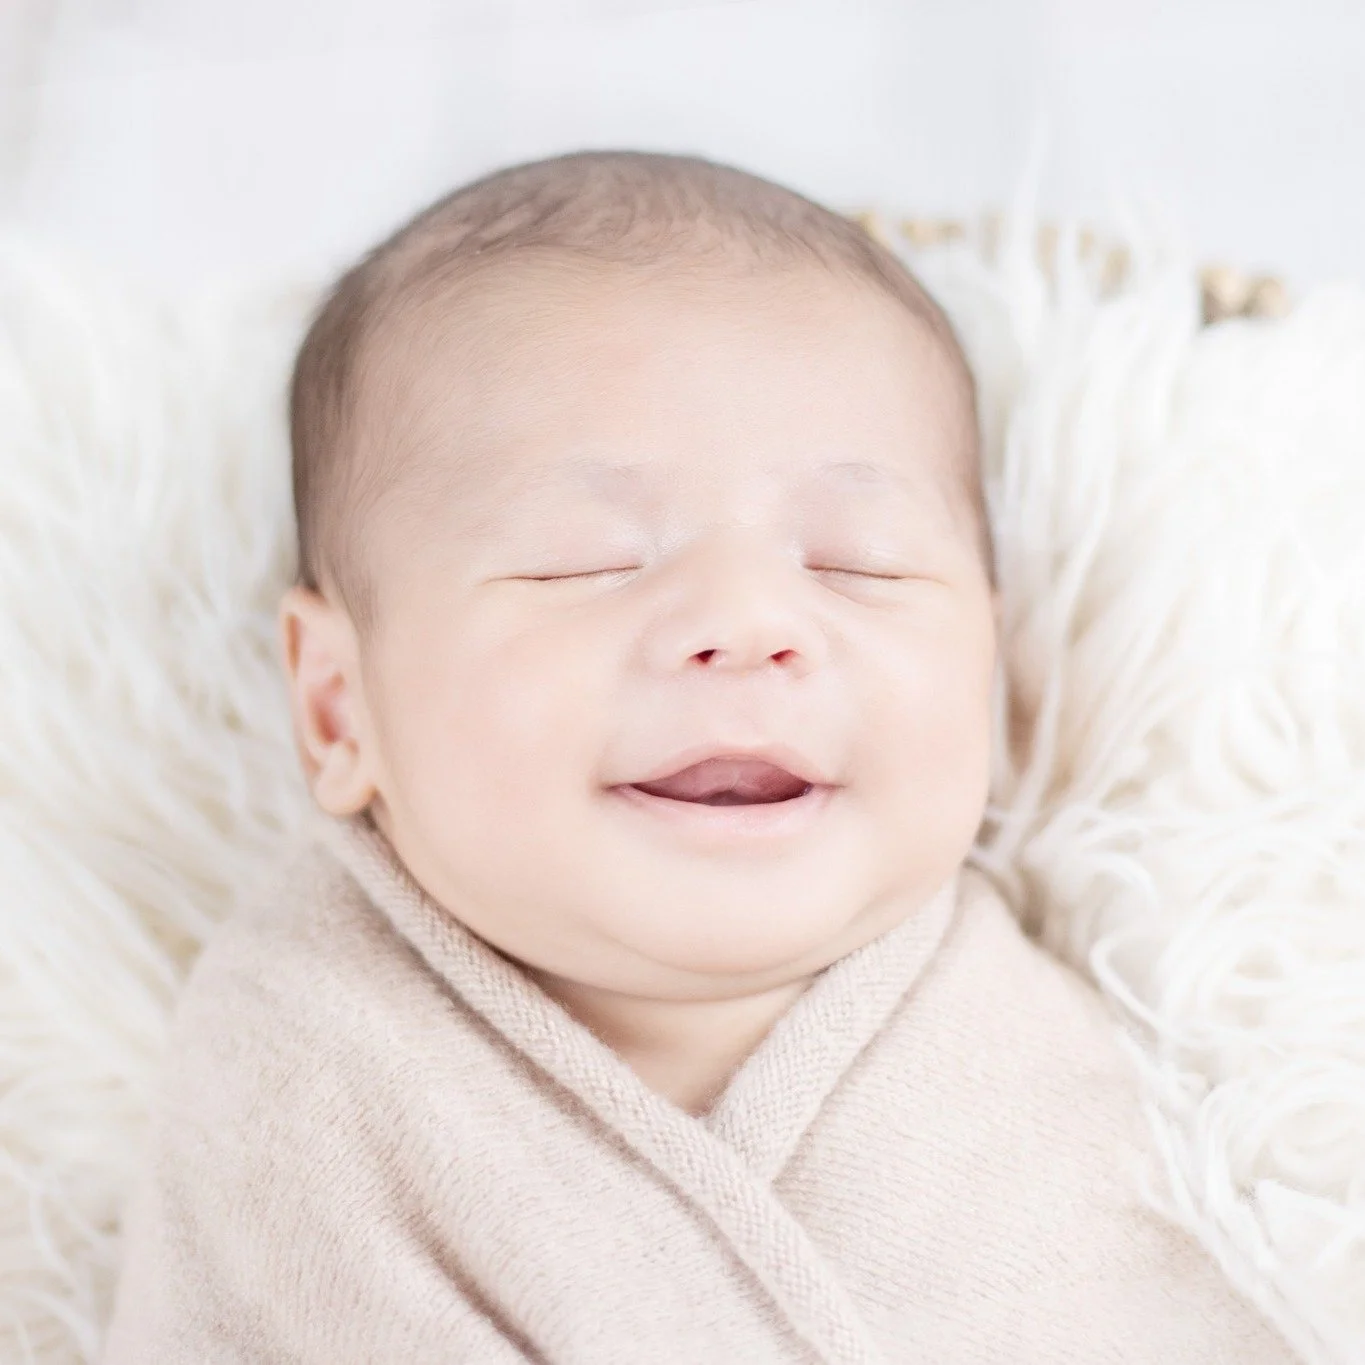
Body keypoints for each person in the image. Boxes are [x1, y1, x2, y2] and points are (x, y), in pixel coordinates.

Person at [101, 151, 1298, 1363]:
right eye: (587, 561)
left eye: (858, 563)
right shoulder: (301, 1068)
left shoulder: (1056, 1076)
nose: (749, 623)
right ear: (339, 711)